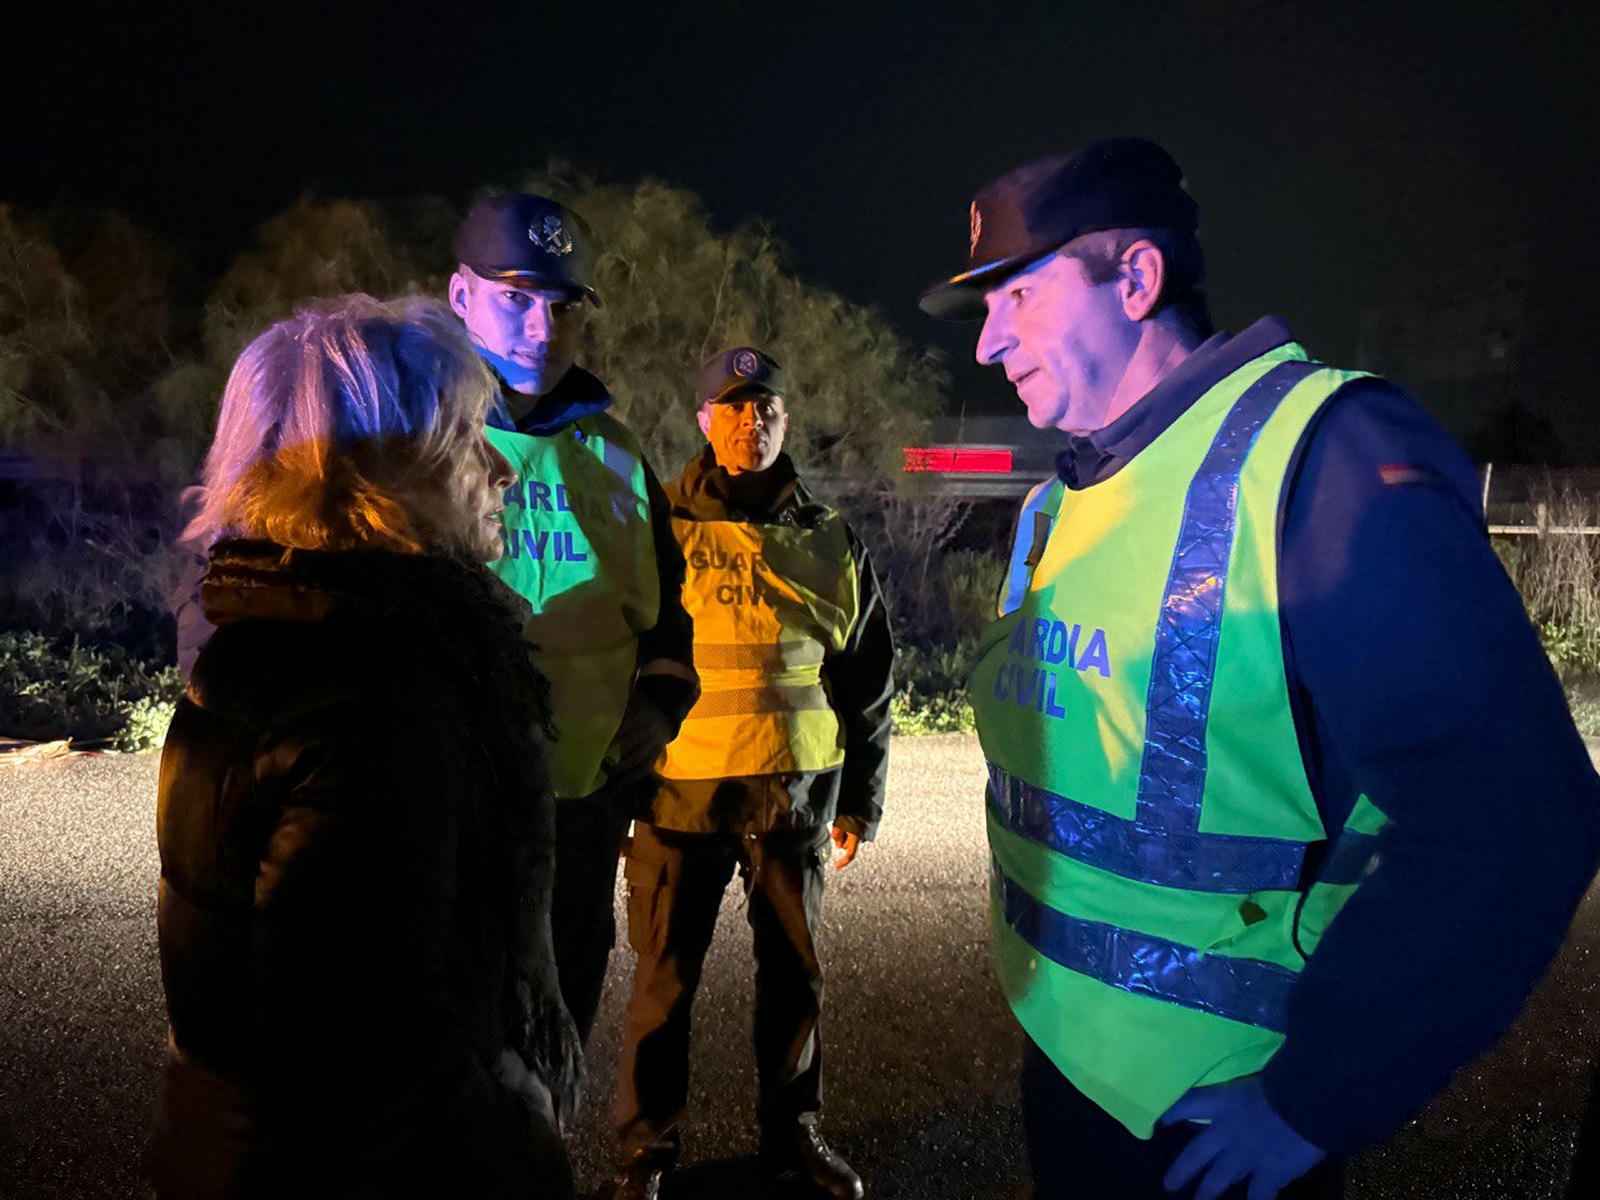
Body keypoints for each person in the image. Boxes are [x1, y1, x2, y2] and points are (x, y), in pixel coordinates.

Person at [918, 138, 1600, 1200]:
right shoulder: (1070, 497)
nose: (987, 343)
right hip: (1071, 1071)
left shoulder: (1317, 457)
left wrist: (1312, 1104)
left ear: (1135, 278)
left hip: (1214, 1125)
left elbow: (1511, 819)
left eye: (1018, 294)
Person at [145, 295, 578, 1199]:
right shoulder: (377, 697)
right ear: (367, 474)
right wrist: (521, 1152)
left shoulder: (275, 645)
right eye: (464, 437)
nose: (500, 465)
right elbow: (375, 1075)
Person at [609, 347, 894, 1200]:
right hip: (676, 797)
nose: (750, 422)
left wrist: (863, 804)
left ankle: (793, 1138)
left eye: (764, 407)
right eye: (731, 408)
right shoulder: (655, 527)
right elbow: (614, 658)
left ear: (784, 421)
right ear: (704, 421)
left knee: (796, 985)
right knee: (662, 987)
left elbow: (869, 682)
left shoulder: (830, 538)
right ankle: (646, 1154)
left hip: (795, 799)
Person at [448, 194, 699, 1050]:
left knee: (560, 1032)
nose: (540, 327)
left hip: (584, 807)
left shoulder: (619, 450)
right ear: (460, 296)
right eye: (514, 296)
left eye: (560, 305)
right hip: (451, 810)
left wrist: (662, 702)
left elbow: (668, 610)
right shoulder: (413, 432)